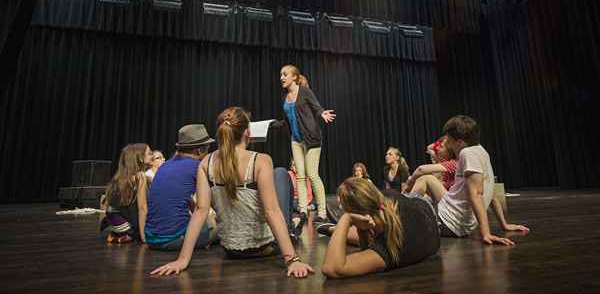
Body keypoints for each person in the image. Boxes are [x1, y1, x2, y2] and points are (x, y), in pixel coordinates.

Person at [151, 107, 313, 278]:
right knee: (280, 173)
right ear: (248, 133)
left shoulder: (206, 162)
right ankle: (292, 231)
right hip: (267, 248)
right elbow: (271, 211)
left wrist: (182, 260)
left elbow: (200, 211)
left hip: (231, 251)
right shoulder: (261, 160)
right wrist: (292, 259)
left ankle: (292, 228)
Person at [408, 115, 529, 244]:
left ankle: (403, 215)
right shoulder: (481, 151)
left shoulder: (467, 154)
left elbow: (475, 194)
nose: (446, 142)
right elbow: (491, 194)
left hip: (447, 221)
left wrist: (486, 233)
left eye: (448, 139)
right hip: (456, 220)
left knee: (408, 212)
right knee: (426, 180)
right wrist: (504, 224)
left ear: (459, 141)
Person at [320, 178, 439, 278]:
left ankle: (333, 229)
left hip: (424, 215)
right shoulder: (387, 199)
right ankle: (332, 229)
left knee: (353, 236)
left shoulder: (387, 248)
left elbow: (332, 268)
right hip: (421, 206)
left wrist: (346, 219)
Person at [271, 64, 335, 223]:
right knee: (300, 175)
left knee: (312, 175)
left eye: (285, 74)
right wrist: (272, 124)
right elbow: (286, 122)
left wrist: (322, 113)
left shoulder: (304, 91)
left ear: (294, 77)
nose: (281, 78)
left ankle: (321, 212)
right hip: (296, 140)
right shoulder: (284, 98)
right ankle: (303, 210)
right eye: (280, 75)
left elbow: (316, 107)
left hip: (312, 139)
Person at [144, 124, 218, 251]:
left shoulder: (164, 166)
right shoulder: (198, 167)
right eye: (207, 148)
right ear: (199, 151)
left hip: (151, 239)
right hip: (174, 239)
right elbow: (216, 203)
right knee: (222, 226)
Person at [101, 143, 152, 243]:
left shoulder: (121, 178)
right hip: (124, 225)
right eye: (149, 153)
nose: (153, 155)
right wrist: (143, 237)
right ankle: (129, 235)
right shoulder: (140, 177)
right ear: (140, 158)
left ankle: (119, 235)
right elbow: (142, 209)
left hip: (113, 222)